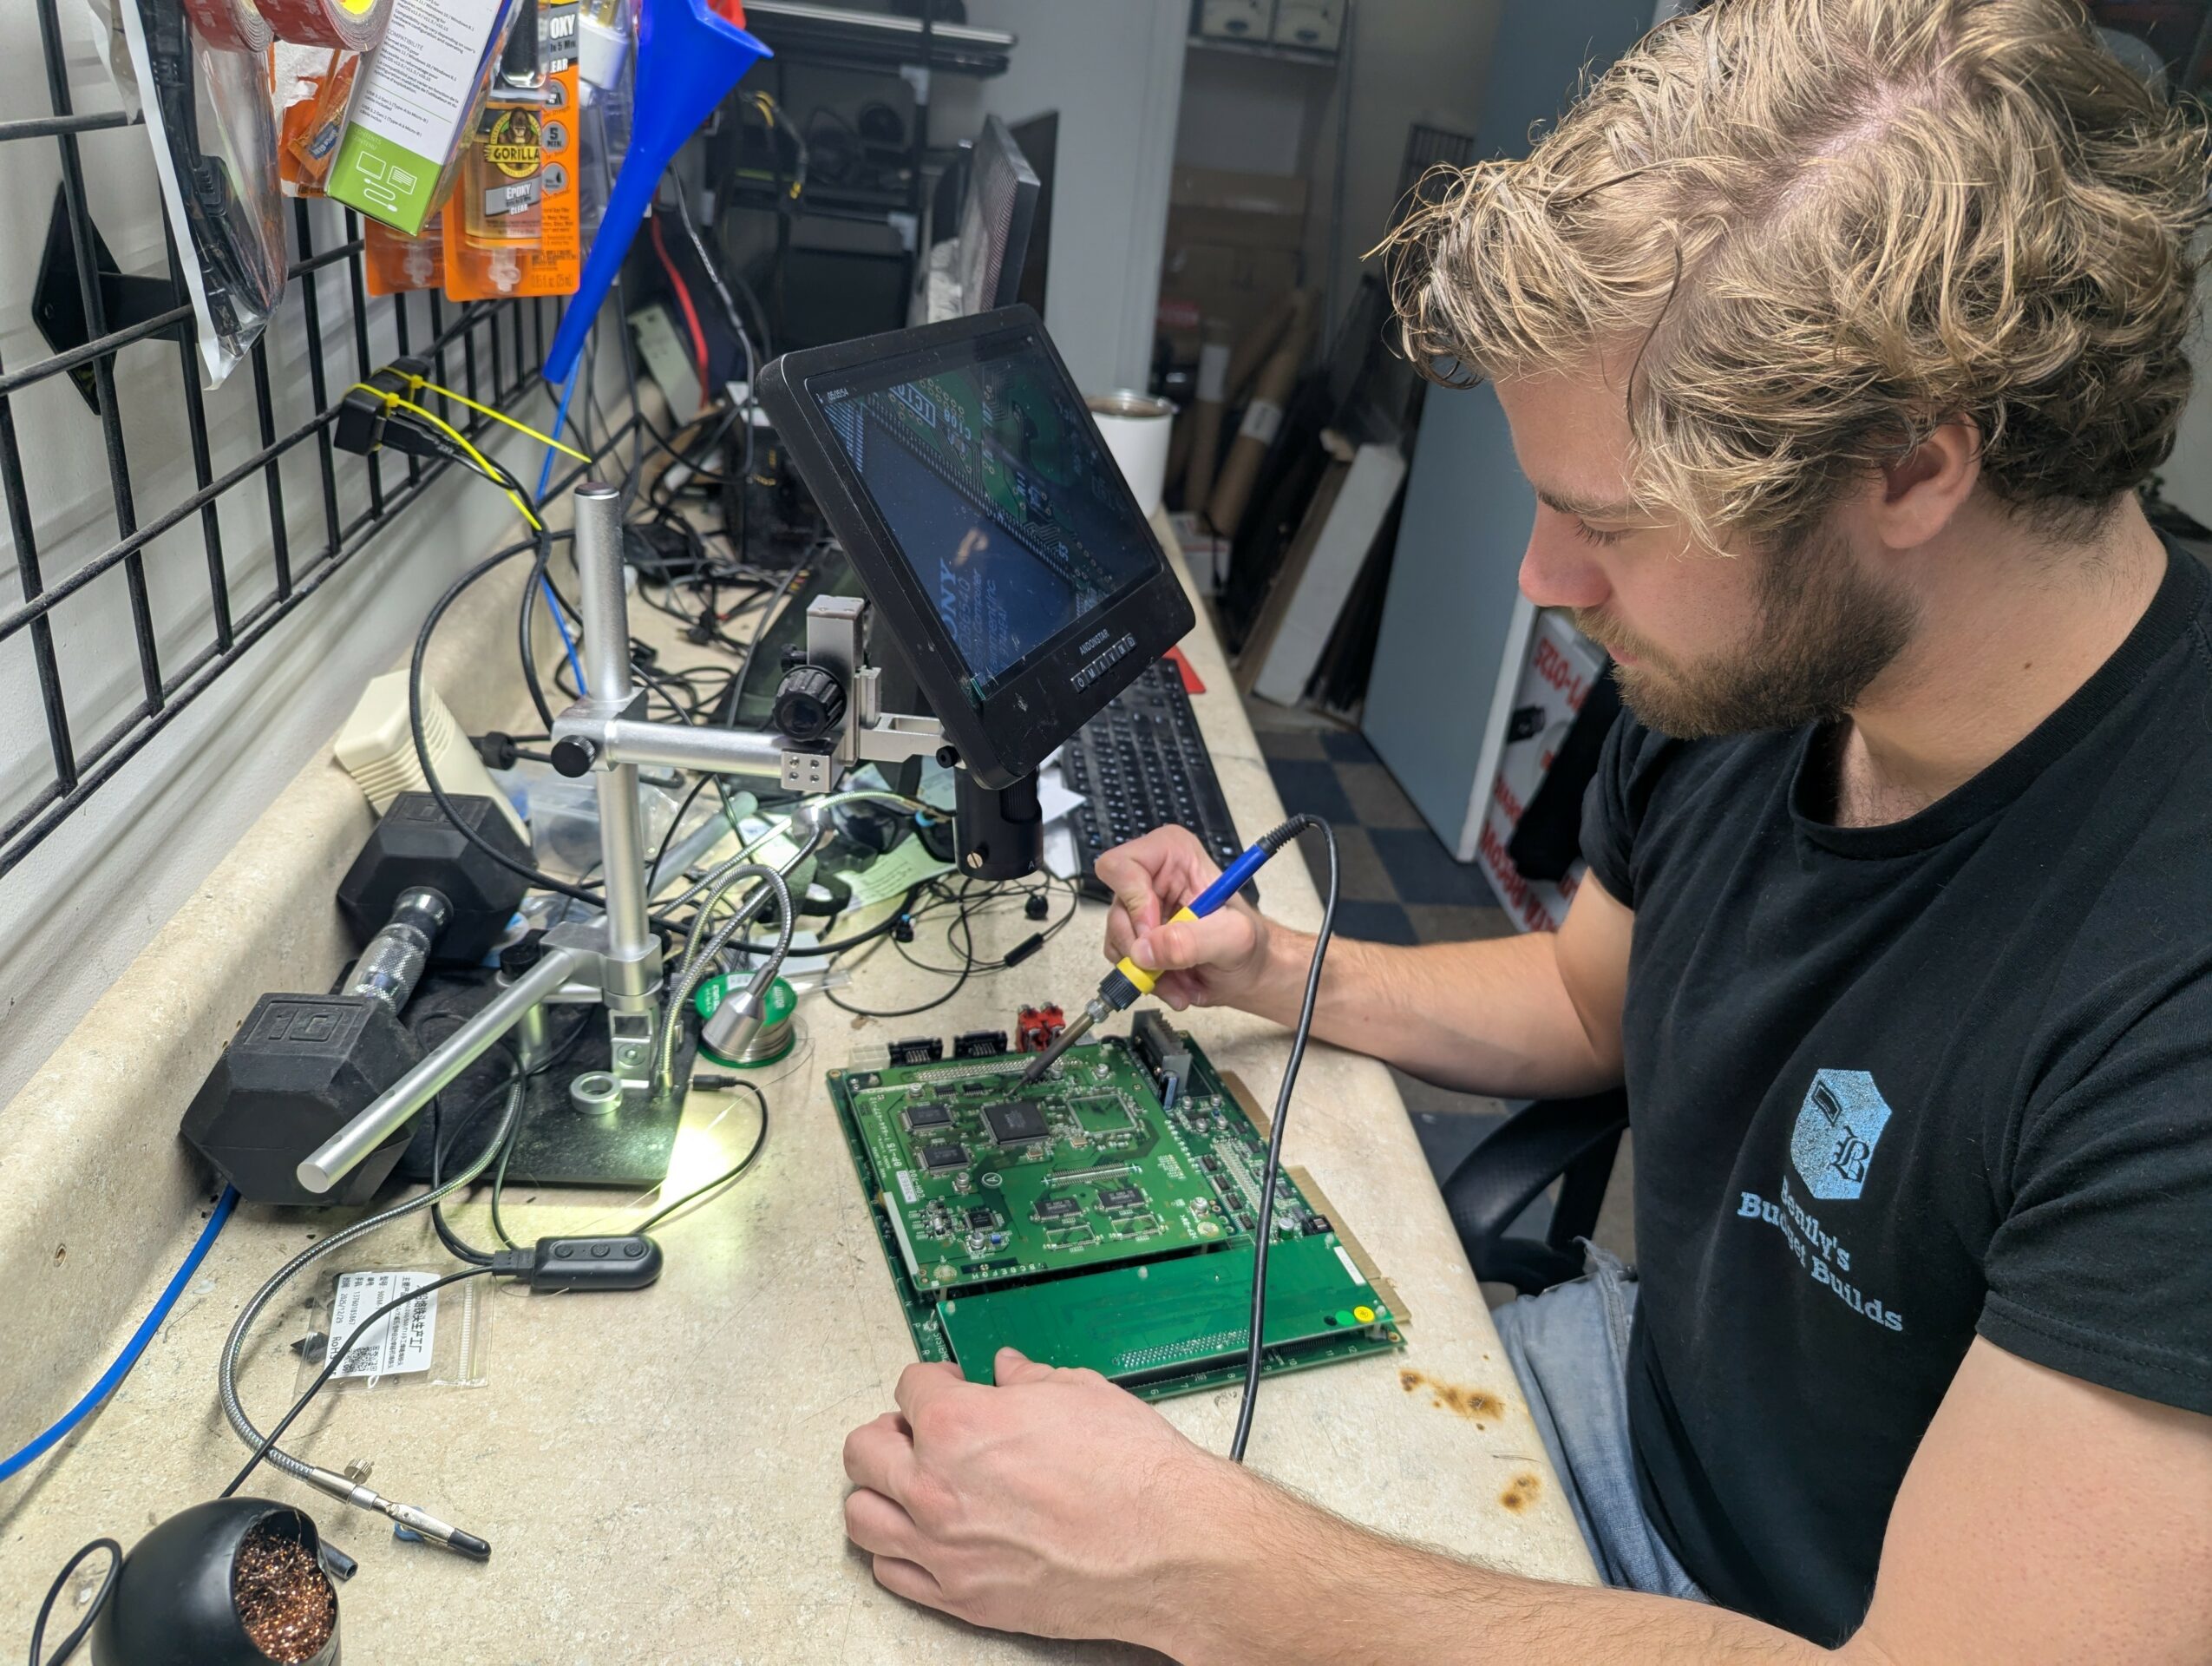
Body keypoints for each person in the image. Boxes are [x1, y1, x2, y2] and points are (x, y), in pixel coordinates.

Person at [839, 1, 2212, 1656]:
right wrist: (1275, 968)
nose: (1542, 581)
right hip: (1627, 1405)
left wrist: (1189, 1558)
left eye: (1603, 525)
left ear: (1911, 473)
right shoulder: (1768, 671)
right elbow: (1586, 1003)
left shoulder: (2171, 979)